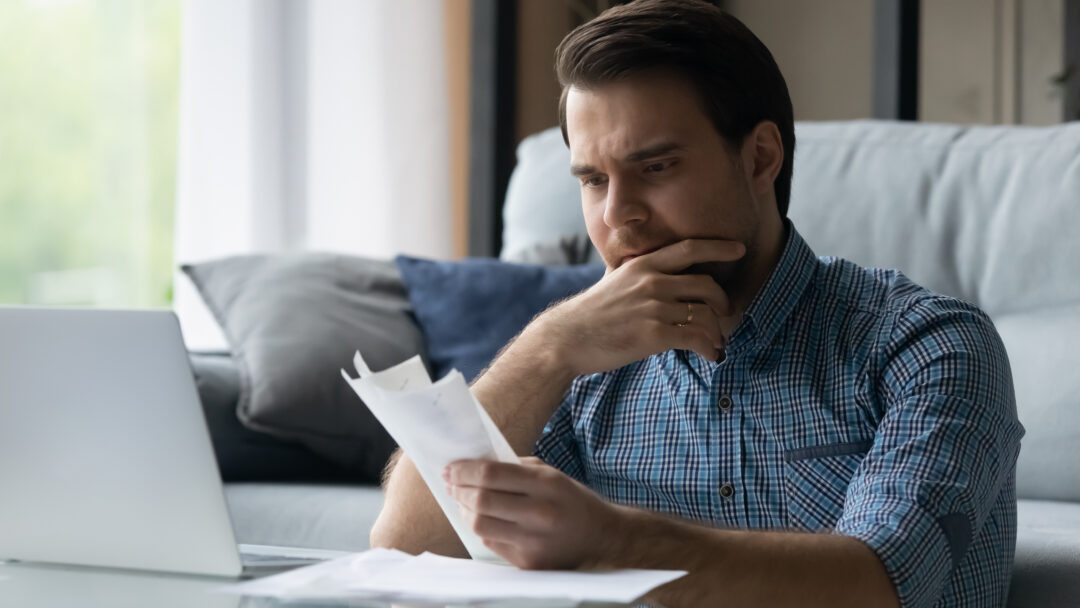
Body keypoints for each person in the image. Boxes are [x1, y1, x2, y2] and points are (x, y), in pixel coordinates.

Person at [370, 1, 1025, 606]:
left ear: (761, 158)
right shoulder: (586, 359)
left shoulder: (928, 345)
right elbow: (404, 548)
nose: (617, 216)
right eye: (594, 180)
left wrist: (613, 541)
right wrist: (551, 347)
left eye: (656, 169)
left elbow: (881, 582)